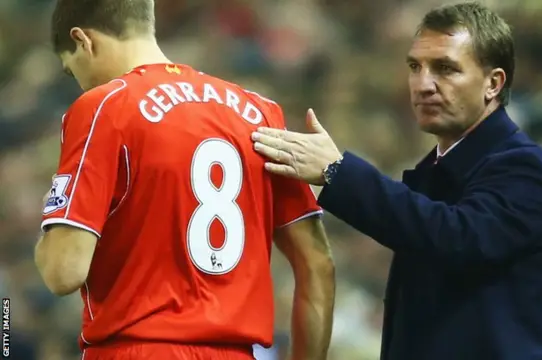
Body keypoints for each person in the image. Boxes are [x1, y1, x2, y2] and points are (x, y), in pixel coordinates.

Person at [251, 2, 542, 359]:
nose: (423, 84)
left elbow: (456, 238)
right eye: (415, 67)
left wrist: (337, 172)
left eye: (445, 69)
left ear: (493, 83)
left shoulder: (523, 166)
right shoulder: (438, 167)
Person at [33, 1, 335, 359]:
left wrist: (49, 234)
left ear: (83, 41)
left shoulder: (104, 105)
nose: (80, 84)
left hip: (137, 350)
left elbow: (63, 272)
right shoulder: (259, 112)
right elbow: (317, 263)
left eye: (72, 71)